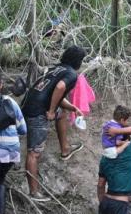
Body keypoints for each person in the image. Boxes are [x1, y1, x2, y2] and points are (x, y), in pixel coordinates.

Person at [22, 46, 86, 202]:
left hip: (30, 103)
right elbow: (60, 87)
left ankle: (65, 149)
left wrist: (72, 107)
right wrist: (50, 110)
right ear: (78, 61)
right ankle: (34, 193)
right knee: (34, 153)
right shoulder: (71, 74)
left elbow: (54, 92)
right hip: (37, 111)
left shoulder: (56, 69)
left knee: (61, 113)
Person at [0, 75, 27, 214]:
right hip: (12, 152)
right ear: (1, 85)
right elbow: (23, 130)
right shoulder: (10, 103)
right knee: (0, 179)